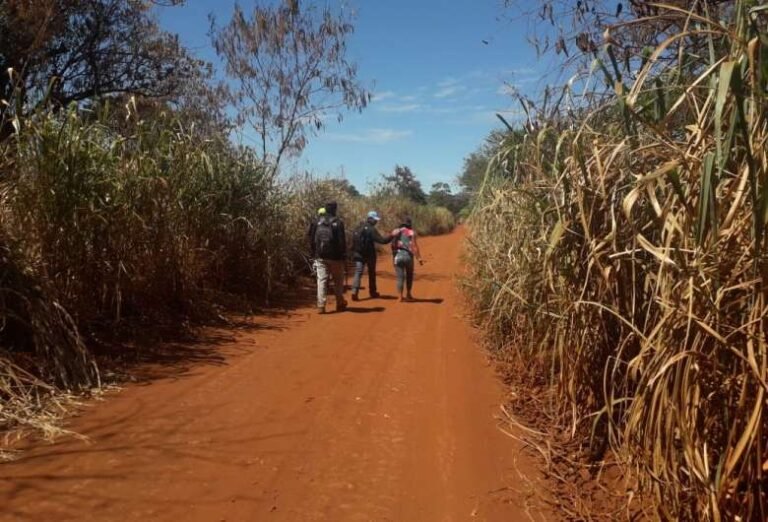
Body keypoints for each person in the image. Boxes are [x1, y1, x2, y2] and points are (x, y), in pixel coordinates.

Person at [308, 201, 347, 314]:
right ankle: (339, 303)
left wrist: (314, 253)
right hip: (336, 257)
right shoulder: (338, 222)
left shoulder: (317, 222)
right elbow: (341, 242)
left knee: (322, 281)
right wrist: (343, 255)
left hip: (320, 256)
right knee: (338, 281)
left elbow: (311, 239)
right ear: (335, 209)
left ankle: (321, 305)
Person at [350, 210, 393, 301]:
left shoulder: (358, 227)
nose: (376, 221)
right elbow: (382, 241)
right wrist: (392, 235)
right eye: (375, 219)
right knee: (371, 273)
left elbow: (353, 242)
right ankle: (373, 292)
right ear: (370, 219)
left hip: (358, 253)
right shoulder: (371, 229)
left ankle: (354, 291)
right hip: (369, 255)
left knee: (358, 272)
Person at [390, 217, 423, 302]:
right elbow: (414, 246)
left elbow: (392, 245)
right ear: (409, 224)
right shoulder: (412, 232)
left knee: (400, 277)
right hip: (408, 257)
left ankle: (400, 297)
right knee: (409, 276)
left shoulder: (396, 231)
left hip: (398, 256)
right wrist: (419, 258)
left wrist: (394, 256)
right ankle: (408, 294)